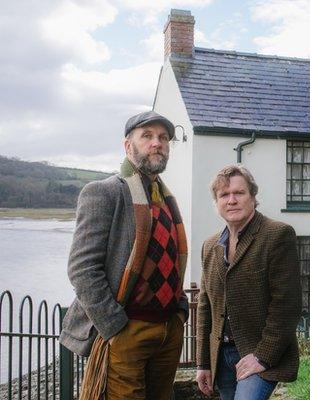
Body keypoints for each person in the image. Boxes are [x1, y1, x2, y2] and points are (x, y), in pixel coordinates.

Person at [59, 111, 189, 400]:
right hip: (127, 330)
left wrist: (180, 312)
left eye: (164, 138)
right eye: (148, 136)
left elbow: (172, 262)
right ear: (128, 146)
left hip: (168, 330)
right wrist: (115, 327)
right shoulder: (103, 193)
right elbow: (82, 269)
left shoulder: (167, 200)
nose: (157, 143)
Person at [196, 165, 301, 400]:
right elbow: (205, 307)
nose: (231, 200)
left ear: (253, 196)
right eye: (224, 195)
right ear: (216, 203)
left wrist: (262, 356)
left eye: (239, 193)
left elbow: (287, 305)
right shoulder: (210, 246)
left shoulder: (277, 235)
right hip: (221, 358)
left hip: (259, 354)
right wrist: (203, 362)